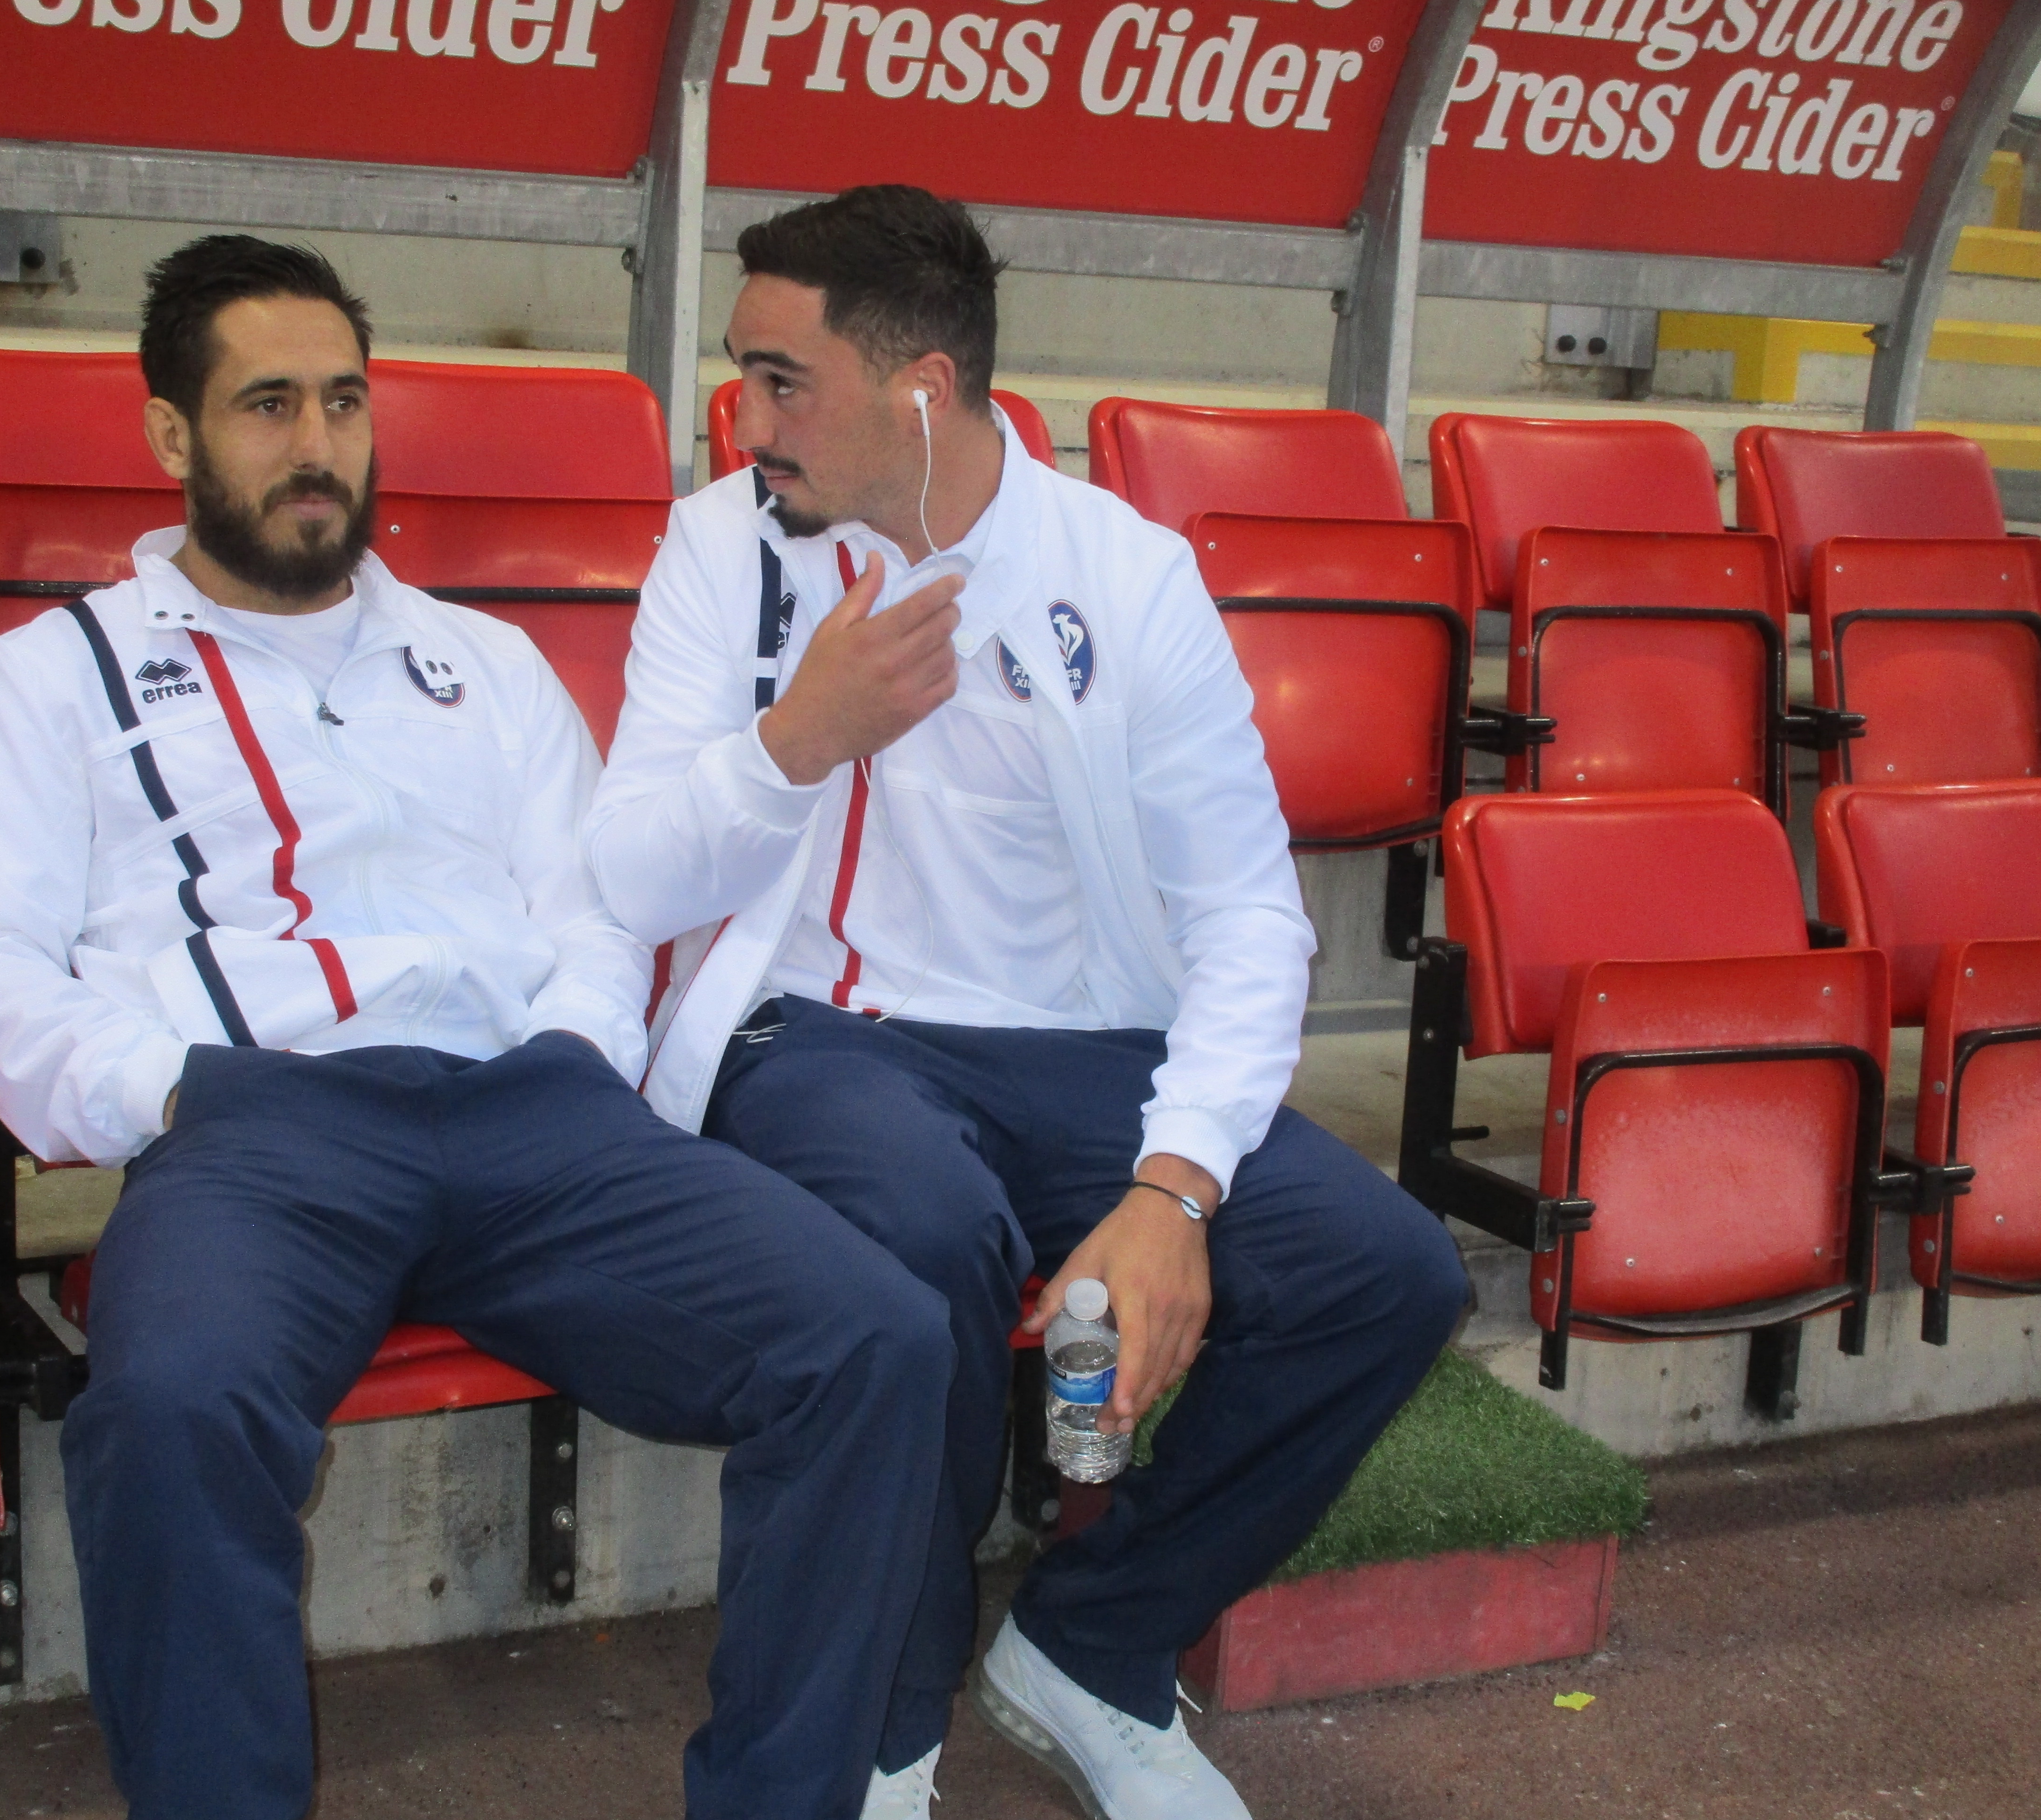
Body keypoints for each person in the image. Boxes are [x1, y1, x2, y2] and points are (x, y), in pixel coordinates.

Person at [0, 234, 952, 1820]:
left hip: (533, 1114)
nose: (317, 444)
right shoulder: (55, 677)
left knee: (877, 1336)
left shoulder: (487, 661)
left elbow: (595, 903)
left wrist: (581, 1049)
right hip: (259, 1133)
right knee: (170, 1415)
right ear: (173, 434)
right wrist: (164, 1093)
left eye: (343, 401)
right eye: (267, 405)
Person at [585, 186, 1471, 1820]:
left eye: (783, 383)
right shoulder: (721, 550)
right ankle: (885, 1727)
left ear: (923, 389)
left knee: (1384, 1274)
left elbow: (1248, 914)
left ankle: (1093, 1644)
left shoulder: (1125, 575)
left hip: (1081, 1053)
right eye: (743, 381)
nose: (749, 423)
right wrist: (797, 739)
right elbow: (630, 872)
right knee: (918, 1237)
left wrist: (1174, 1184)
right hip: (817, 1031)